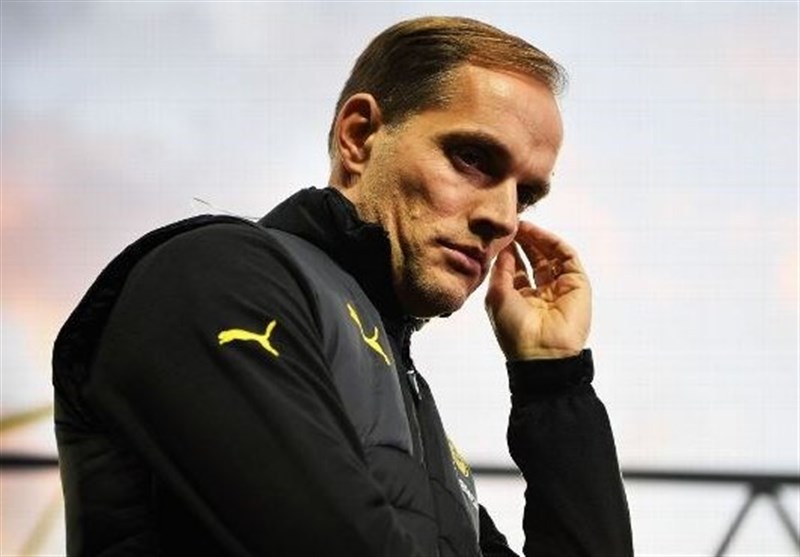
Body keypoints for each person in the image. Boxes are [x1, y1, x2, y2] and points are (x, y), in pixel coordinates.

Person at [53, 16, 633, 556]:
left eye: (525, 196)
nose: (503, 219)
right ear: (360, 136)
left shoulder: (412, 410)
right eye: (472, 158)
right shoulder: (217, 274)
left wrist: (553, 381)